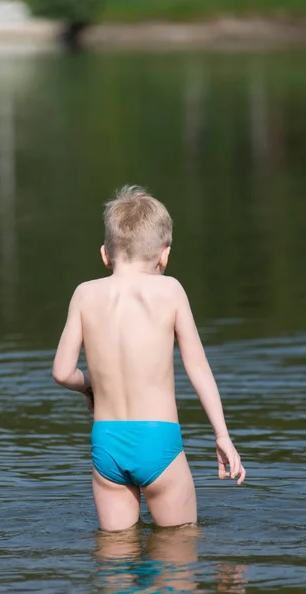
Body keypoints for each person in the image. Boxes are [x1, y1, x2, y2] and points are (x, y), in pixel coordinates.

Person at [52, 185, 246, 532]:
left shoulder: (85, 294)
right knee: (178, 546)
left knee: (114, 563)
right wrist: (222, 435)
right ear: (164, 255)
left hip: (106, 443)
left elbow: (63, 372)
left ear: (105, 254)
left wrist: (90, 387)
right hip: (159, 441)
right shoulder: (169, 290)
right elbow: (197, 366)